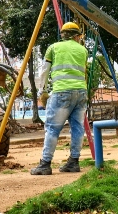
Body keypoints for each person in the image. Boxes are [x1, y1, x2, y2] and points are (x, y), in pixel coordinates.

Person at [31, 22, 89, 175]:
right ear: (77, 36)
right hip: (81, 93)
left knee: (52, 128)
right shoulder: (83, 50)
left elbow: (44, 71)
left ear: (63, 35)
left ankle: (45, 164)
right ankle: (73, 162)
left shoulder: (54, 48)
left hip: (61, 92)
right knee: (77, 128)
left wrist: (42, 91)